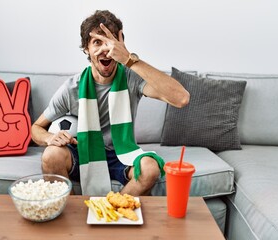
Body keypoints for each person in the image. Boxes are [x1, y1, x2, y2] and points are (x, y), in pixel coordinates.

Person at [31, 10, 190, 196]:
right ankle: (74, 218)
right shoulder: (72, 88)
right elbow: (36, 128)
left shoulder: (132, 78)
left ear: (120, 45)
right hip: (83, 152)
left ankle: (110, 211)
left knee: (150, 168)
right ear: (86, 49)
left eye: (111, 41)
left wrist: (130, 60)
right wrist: (49, 138)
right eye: (97, 42)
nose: (105, 49)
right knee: (51, 155)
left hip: (122, 155)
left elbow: (181, 98)